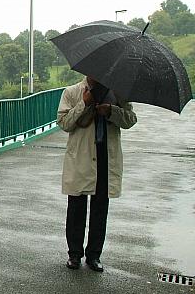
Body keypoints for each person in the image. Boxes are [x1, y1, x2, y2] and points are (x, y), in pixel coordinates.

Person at [57, 75, 137, 272]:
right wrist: (84, 104)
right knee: (76, 206)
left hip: (105, 157)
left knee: (100, 209)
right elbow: (64, 122)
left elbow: (130, 120)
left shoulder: (118, 94)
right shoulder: (73, 92)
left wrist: (111, 110)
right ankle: (74, 254)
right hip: (81, 156)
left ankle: (94, 255)